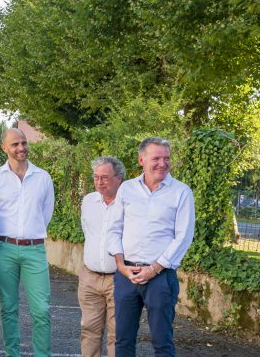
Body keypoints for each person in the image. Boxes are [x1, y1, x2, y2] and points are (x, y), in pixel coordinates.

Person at [107, 137, 195, 357]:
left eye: (166, 158)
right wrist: (120, 265)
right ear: (141, 160)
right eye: (156, 158)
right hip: (126, 275)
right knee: (123, 341)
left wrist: (154, 269)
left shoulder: (181, 192)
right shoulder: (126, 189)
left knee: (162, 342)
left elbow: (183, 237)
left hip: (161, 278)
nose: (162, 164)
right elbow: (114, 229)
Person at [0, 128, 55, 357]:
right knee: (8, 308)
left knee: (42, 310)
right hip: (4, 249)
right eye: (15, 144)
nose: (21, 147)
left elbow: (46, 213)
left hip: (34, 249)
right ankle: (12, 354)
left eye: (23, 143)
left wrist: (30, 233)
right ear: (4, 147)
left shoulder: (42, 177)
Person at [79, 157, 126, 357]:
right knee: (89, 330)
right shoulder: (88, 201)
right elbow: (88, 232)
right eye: (96, 177)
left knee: (118, 333)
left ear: (119, 178)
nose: (99, 182)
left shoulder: (129, 202)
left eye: (105, 177)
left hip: (119, 278)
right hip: (89, 277)